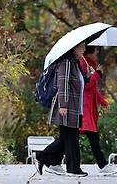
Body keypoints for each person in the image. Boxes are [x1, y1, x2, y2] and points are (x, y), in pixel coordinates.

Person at [35, 41, 88, 177]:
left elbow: (80, 84)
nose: (84, 49)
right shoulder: (66, 63)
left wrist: (88, 75)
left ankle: (46, 158)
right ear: (74, 49)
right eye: (82, 47)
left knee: (66, 138)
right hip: (67, 107)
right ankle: (73, 168)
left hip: (76, 107)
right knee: (71, 138)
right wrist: (63, 104)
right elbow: (62, 84)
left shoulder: (75, 64)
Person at [79, 46, 117, 176]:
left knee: (71, 138)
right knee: (91, 137)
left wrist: (103, 102)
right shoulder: (82, 62)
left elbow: (93, 89)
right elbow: (85, 86)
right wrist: (97, 74)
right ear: (89, 51)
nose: (98, 53)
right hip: (84, 107)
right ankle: (103, 165)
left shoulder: (90, 63)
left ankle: (51, 160)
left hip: (89, 107)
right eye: (96, 50)